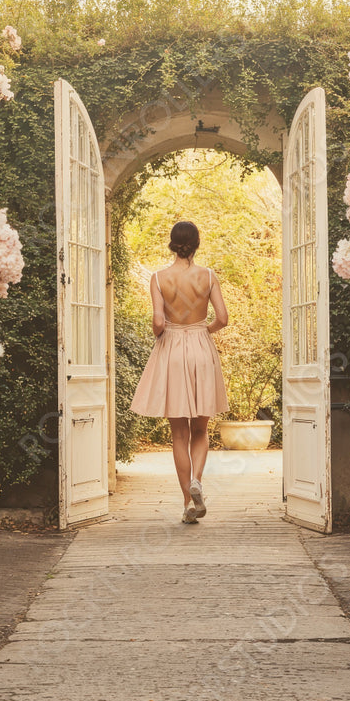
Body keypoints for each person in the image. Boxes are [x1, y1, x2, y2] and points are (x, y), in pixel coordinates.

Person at [129, 220, 230, 524]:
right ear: (197, 243)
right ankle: (198, 480)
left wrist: (163, 334)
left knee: (179, 433)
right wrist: (204, 331)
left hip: (172, 350)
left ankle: (188, 500)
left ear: (172, 243)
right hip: (200, 346)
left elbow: (158, 323)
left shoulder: (159, 278)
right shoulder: (208, 276)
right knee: (201, 430)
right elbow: (223, 318)